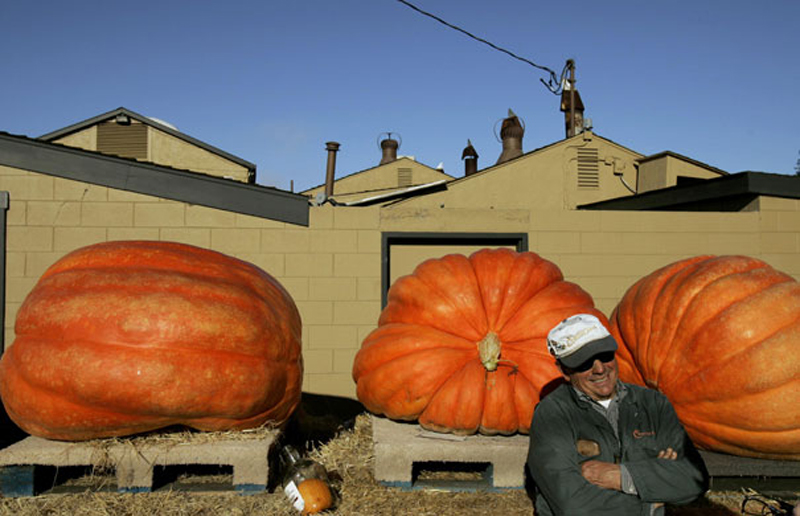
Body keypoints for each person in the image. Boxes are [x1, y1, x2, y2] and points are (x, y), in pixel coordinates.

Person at [527, 313, 709, 516]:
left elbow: (694, 479)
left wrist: (621, 477)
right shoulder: (552, 414)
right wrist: (650, 502)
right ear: (565, 371)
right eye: (584, 362)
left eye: (605, 355)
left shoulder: (654, 404)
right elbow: (572, 503)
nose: (600, 369)